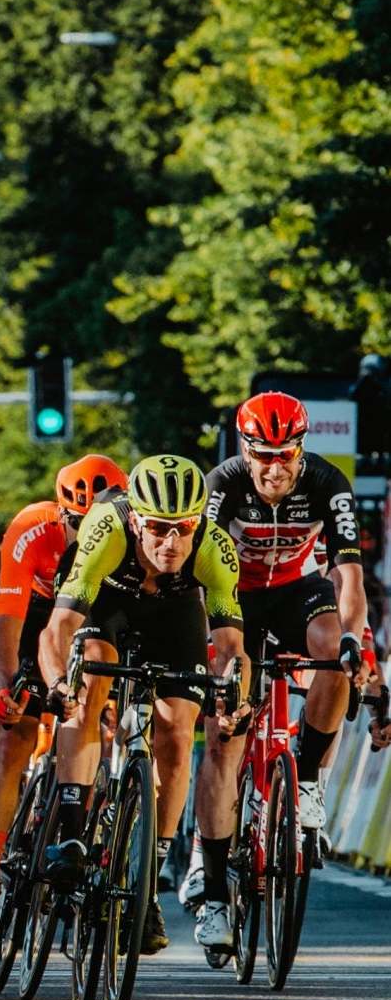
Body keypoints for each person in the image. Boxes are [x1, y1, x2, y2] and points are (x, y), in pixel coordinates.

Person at [187, 393, 375, 954]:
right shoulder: (221, 484)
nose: (275, 467)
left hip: (298, 590)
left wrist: (352, 639)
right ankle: (216, 889)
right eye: (262, 455)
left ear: (301, 447)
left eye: (285, 454)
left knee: (337, 654)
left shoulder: (326, 481)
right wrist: (212, 653)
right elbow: (200, 581)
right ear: (244, 449)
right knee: (225, 738)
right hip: (232, 595)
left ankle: (309, 782)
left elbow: (349, 579)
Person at [41, 455, 247, 958]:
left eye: (183, 529)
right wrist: (56, 683)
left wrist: (233, 695)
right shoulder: (106, 527)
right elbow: (60, 627)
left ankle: (146, 883)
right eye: (157, 528)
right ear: (136, 519)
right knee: (88, 685)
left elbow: (232, 645)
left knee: (178, 733)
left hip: (173, 614)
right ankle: (71, 834)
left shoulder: (215, 548)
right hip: (106, 601)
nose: (170, 542)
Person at [0, 455, 126, 941]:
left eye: (93, 520)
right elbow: (9, 622)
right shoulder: (32, 528)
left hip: (94, 613)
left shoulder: (127, 532)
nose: (84, 531)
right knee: (12, 739)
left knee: (95, 711)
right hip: (33, 610)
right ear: (61, 513)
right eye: (75, 521)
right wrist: (6, 689)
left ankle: (81, 834)